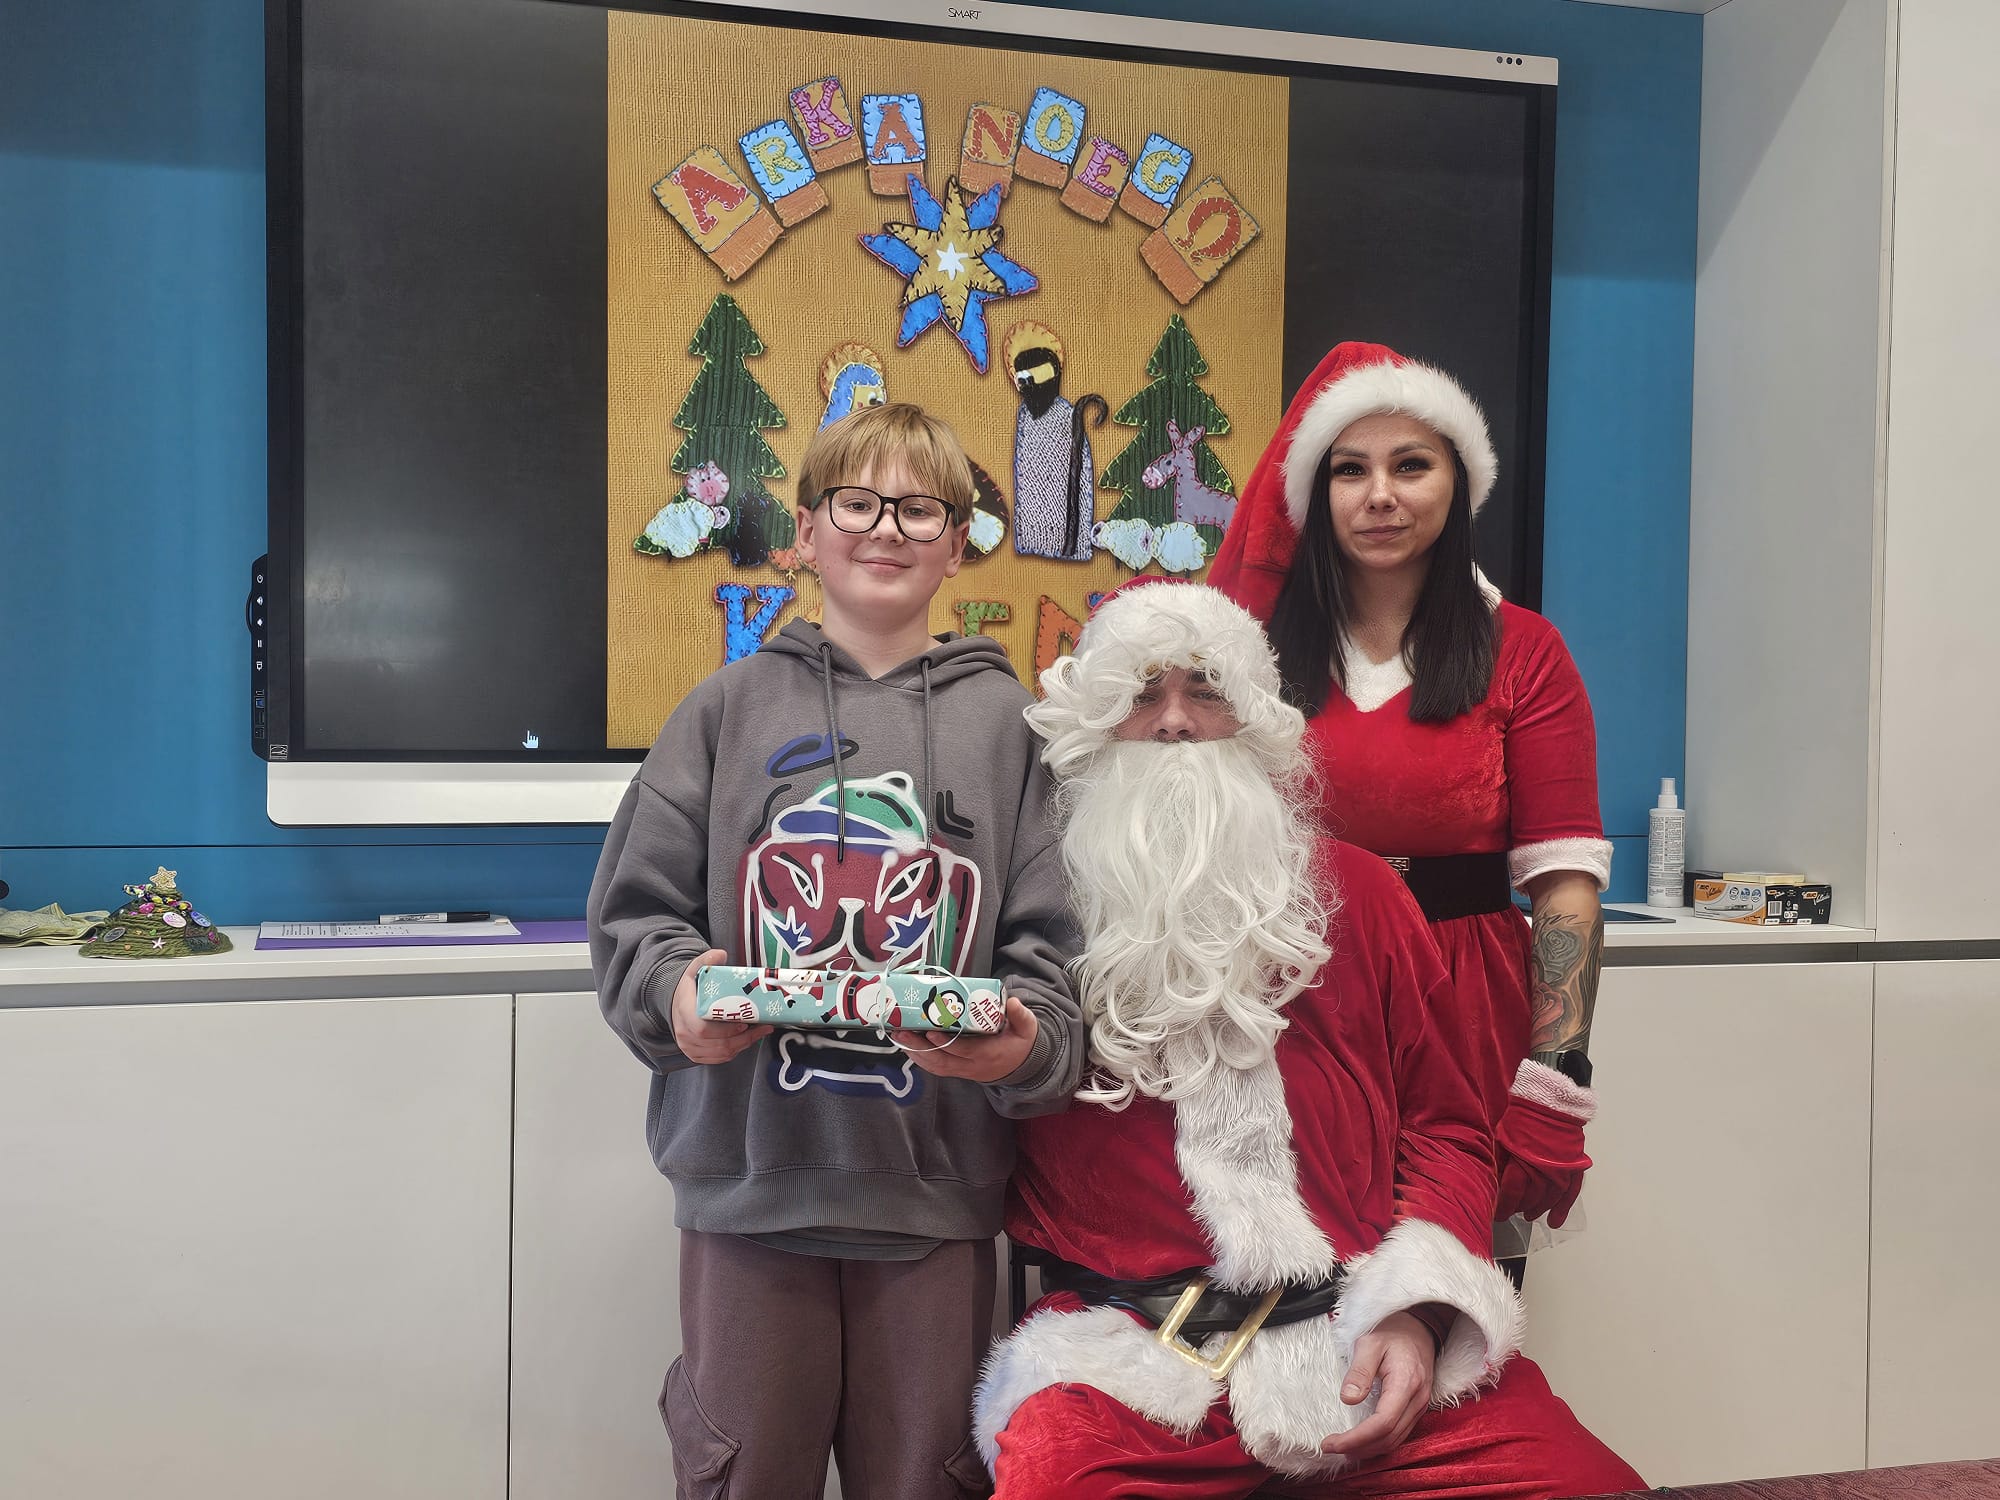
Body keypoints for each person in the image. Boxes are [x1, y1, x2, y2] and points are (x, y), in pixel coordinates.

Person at [977, 580, 1641, 1499]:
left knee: (1584, 1484)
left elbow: (1448, 1129)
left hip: (1354, 1334)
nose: (1174, 722)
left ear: (1255, 716)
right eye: (1140, 692)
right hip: (1123, 1365)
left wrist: (1417, 1311)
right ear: (1093, 722)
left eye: (1206, 689)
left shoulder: (1365, 895)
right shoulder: (1035, 912)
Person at [589, 401, 1084, 1500]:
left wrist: (1021, 1044)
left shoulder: (1015, 733)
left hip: (936, 1204)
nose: (887, 528)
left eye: (919, 508)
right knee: (744, 1470)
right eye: (857, 503)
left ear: (958, 541)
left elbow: (1056, 967)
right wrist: (679, 996)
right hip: (749, 1192)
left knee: (928, 1478)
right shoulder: (720, 711)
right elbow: (634, 920)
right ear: (806, 532)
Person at [1208, 343, 1609, 1264]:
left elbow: (1565, 885)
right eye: (1349, 470)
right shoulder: (1248, 653)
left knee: (1450, 1287)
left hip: (1465, 1014)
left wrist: (1556, 1075)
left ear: (1459, 482)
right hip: (1291, 1003)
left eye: (1411, 465)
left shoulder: (1525, 651)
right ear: (1316, 492)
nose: (1379, 495)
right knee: (1295, 1289)